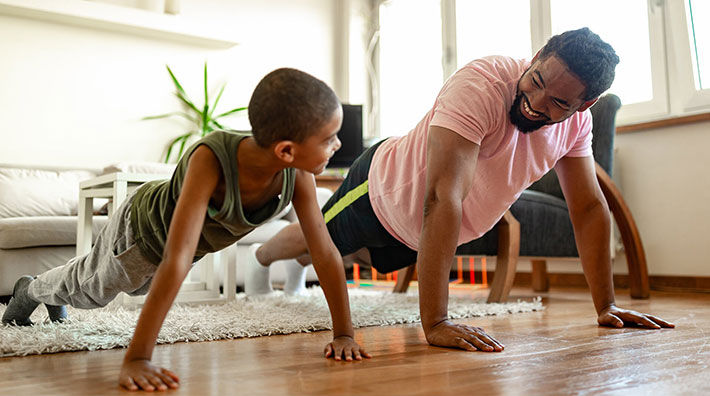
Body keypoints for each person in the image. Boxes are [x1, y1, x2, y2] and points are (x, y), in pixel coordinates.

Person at [245, 28, 674, 354]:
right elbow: (443, 196)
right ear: (538, 55)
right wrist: (436, 322)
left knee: (353, 257)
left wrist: (606, 306)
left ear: (586, 105)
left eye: (559, 103)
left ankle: (301, 266)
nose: (536, 102)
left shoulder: (577, 125)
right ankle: (261, 259)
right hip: (383, 190)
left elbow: (587, 207)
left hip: (424, 232)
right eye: (538, 80)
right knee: (320, 238)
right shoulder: (482, 85)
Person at [1, 67, 371, 391]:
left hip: (181, 248)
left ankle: (42, 288)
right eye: (329, 139)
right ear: (286, 150)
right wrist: (137, 359)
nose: (337, 145)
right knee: (93, 291)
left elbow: (323, 251)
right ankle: (30, 290)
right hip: (141, 230)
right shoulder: (210, 158)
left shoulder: (297, 176)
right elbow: (175, 259)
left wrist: (343, 334)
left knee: (136, 285)